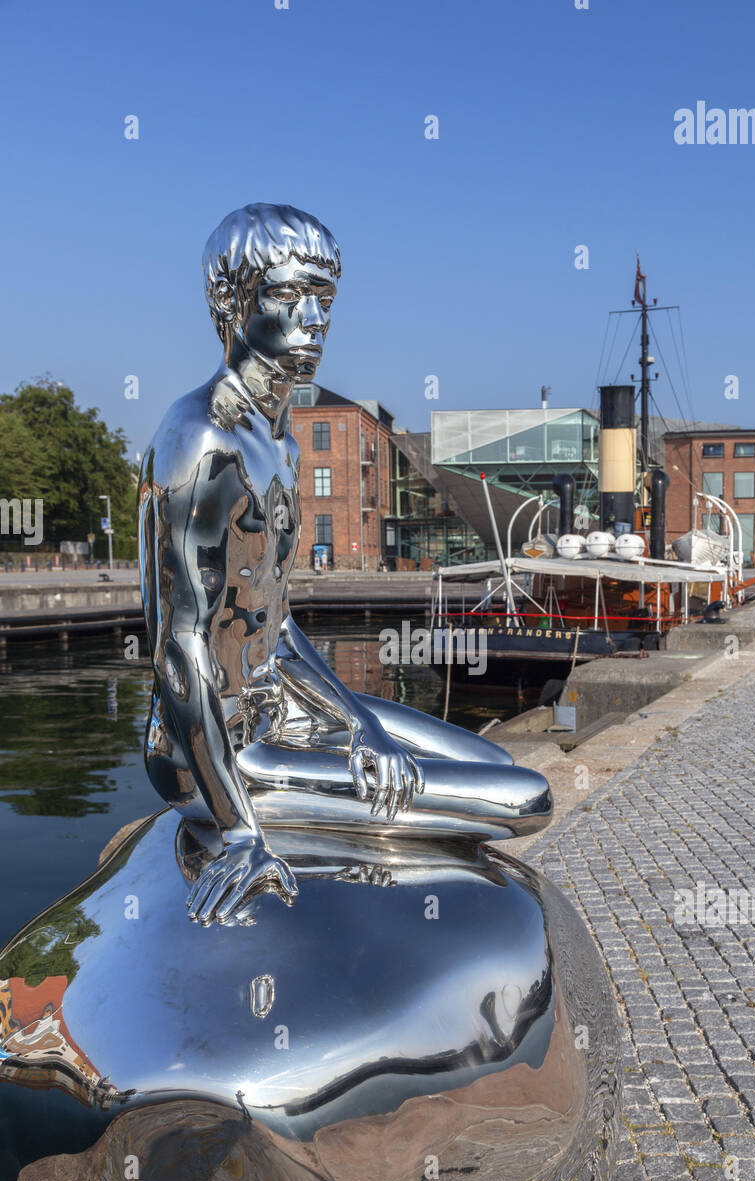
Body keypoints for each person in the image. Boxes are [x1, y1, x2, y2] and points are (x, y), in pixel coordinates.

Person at [138, 203, 550, 925]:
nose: (314, 319)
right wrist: (239, 830)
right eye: (288, 296)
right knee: (526, 799)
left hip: (285, 713)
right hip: (213, 750)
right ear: (232, 305)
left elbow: (275, 624)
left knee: (496, 764)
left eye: (323, 300)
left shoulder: (285, 444)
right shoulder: (200, 443)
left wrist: (361, 727)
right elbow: (181, 651)